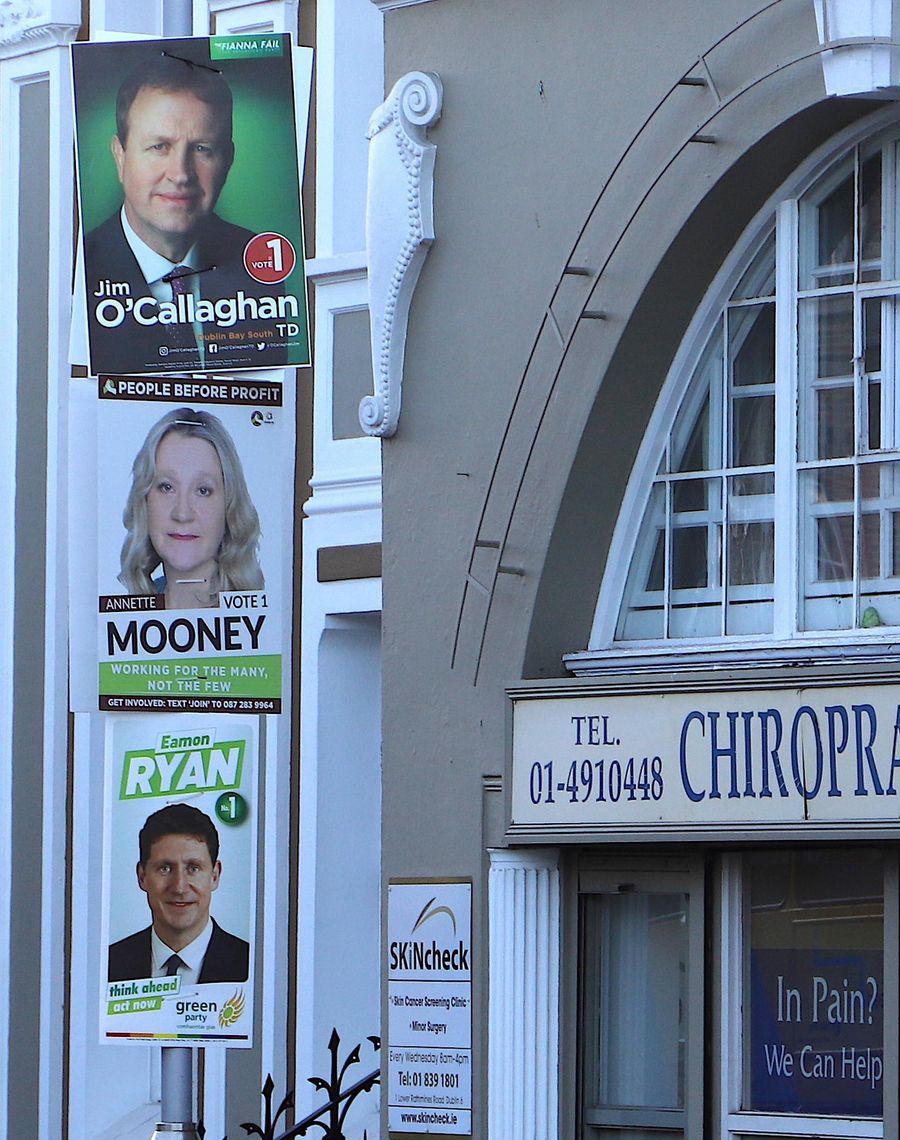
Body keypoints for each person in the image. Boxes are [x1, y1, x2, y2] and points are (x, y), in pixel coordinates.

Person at [83, 53, 286, 373]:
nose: (180, 174)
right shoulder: (78, 273)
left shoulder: (263, 271)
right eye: (159, 147)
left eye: (202, 149)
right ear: (120, 156)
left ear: (228, 160)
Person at [119, 406, 264, 609]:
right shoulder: (133, 611)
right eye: (167, 487)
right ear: (144, 501)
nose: (182, 513)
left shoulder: (255, 613)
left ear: (229, 507)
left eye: (203, 491)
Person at [108, 803, 249, 984]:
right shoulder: (107, 965)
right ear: (142, 876)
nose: (179, 888)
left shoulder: (251, 964)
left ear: (215, 876)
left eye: (193, 868)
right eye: (165, 868)